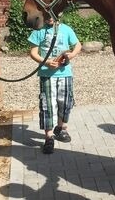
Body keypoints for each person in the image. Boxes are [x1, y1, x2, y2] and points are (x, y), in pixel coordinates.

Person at [28, 15, 82, 154]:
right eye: (47, 14)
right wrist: (45, 62)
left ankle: (61, 128)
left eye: (54, 14)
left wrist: (71, 55)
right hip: (47, 75)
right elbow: (33, 52)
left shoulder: (66, 29)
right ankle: (49, 136)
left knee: (65, 102)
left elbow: (77, 45)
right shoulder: (38, 31)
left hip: (65, 74)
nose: (50, 17)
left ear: (60, 14)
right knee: (48, 105)